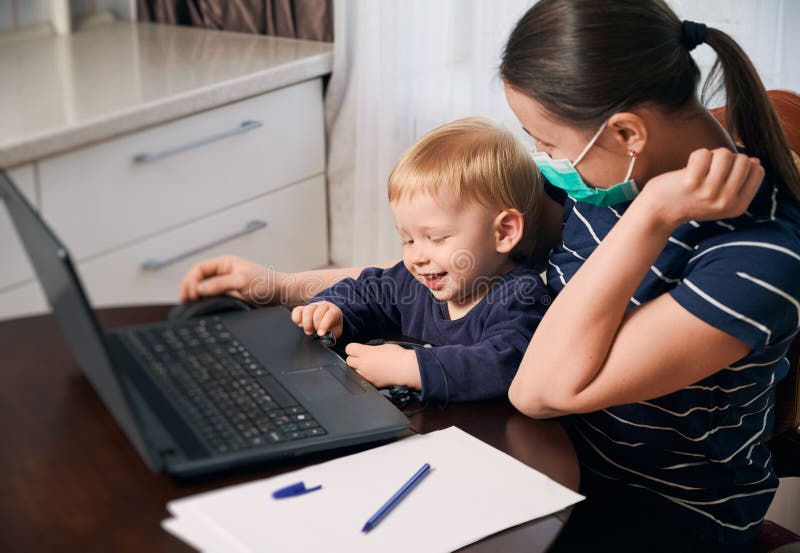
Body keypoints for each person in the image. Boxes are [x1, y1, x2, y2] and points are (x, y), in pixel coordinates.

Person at [178, 1, 800, 550]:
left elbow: (540, 389)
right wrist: (284, 285)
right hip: (541, 447)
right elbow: (458, 269)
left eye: (548, 143)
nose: (545, 165)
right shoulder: (610, 179)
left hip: (660, 506)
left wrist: (654, 216)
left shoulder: (758, 261)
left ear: (627, 134)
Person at [292, 117, 550, 404]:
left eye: (437, 238)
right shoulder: (418, 278)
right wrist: (333, 309)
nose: (417, 256)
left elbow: (504, 363)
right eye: (408, 239)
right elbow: (367, 290)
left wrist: (408, 367)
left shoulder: (521, 296)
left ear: (504, 232)